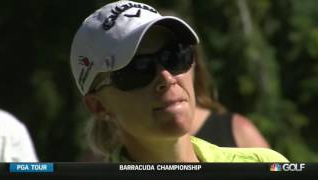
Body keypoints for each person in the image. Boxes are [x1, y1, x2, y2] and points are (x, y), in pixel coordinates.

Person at [70, 0, 288, 162]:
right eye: (137, 69)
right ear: (99, 106)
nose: (166, 77)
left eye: (174, 56)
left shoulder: (263, 165)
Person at [190, 46, 270, 148]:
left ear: (195, 64)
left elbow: (274, 165)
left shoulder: (239, 131)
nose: (167, 76)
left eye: (179, 58)